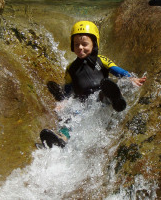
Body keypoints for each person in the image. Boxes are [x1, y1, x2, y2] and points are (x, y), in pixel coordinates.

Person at [39, 21, 146, 149]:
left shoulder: (101, 60)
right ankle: (62, 139)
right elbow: (68, 89)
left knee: (105, 90)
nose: (80, 47)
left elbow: (117, 71)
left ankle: (116, 100)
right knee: (70, 116)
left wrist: (131, 78)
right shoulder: (71, 68)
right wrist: (64, 101)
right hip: (84, 102)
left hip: (101, 94)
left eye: (84, 44)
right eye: (76, 44)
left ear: (94, 44)